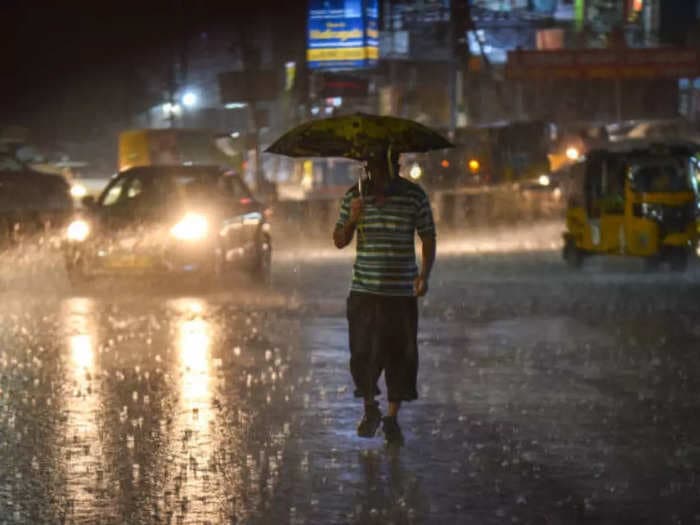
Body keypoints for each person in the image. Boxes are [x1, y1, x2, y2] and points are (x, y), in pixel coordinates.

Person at [333, 150, 436, 446]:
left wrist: (424, 275)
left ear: (395, 166)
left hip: (401, 293)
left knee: (400, 358)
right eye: (371, 167)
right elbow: (339, 240)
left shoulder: (414, 196)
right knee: (363, 355)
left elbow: (428, 236)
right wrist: (352, 218)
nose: (376, 173)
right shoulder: (355, 196)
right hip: (364, 291)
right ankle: (370, 408)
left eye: (382, 166)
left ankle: (392, 417)